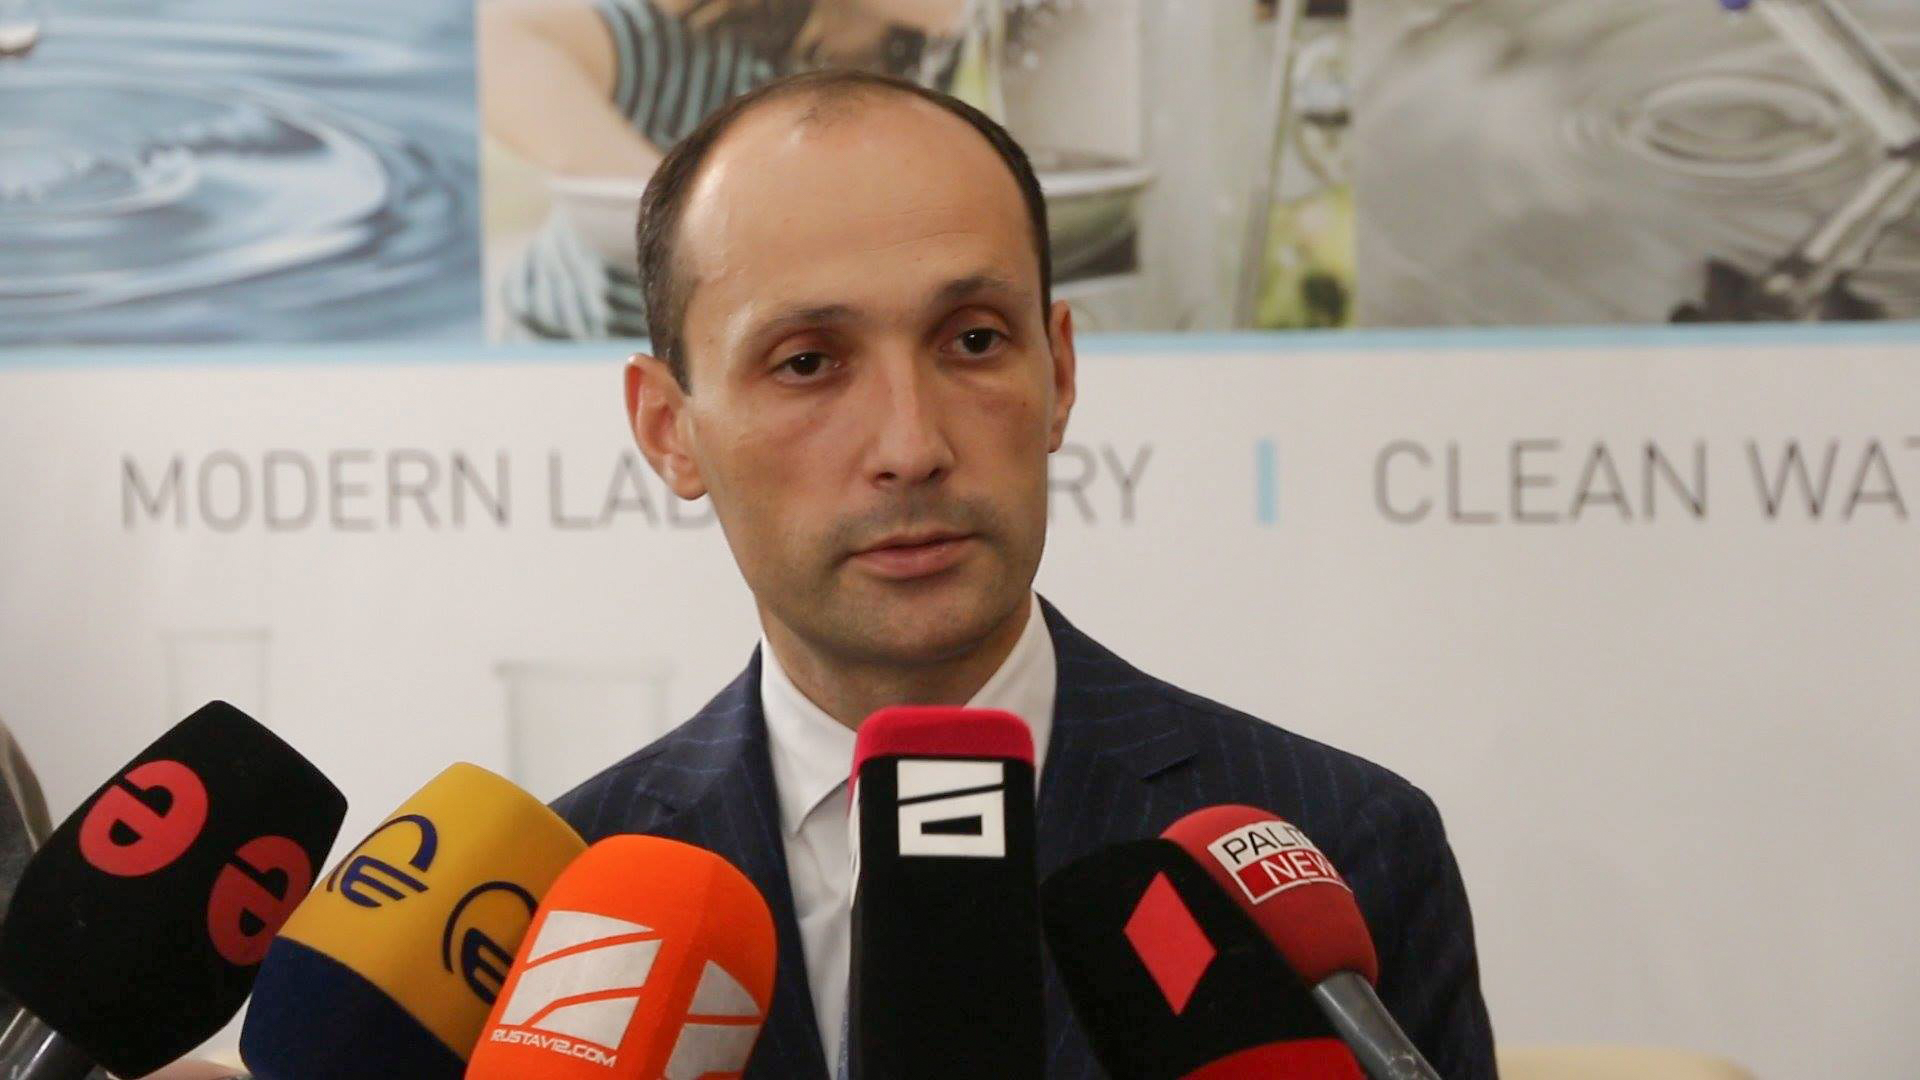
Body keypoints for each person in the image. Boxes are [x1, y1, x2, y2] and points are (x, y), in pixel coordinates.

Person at [553, 69, 1496, 1078]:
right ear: (670, 429)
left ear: (1060, 373)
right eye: (808, 362)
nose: (911, 447)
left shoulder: (1343, 845)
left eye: (973, 340)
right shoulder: (560, 907)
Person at [479, 0, 973, 338]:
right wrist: (677, 205)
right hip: (569, 350)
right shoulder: (683, 43)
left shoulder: (929, 74)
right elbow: (494, 41)